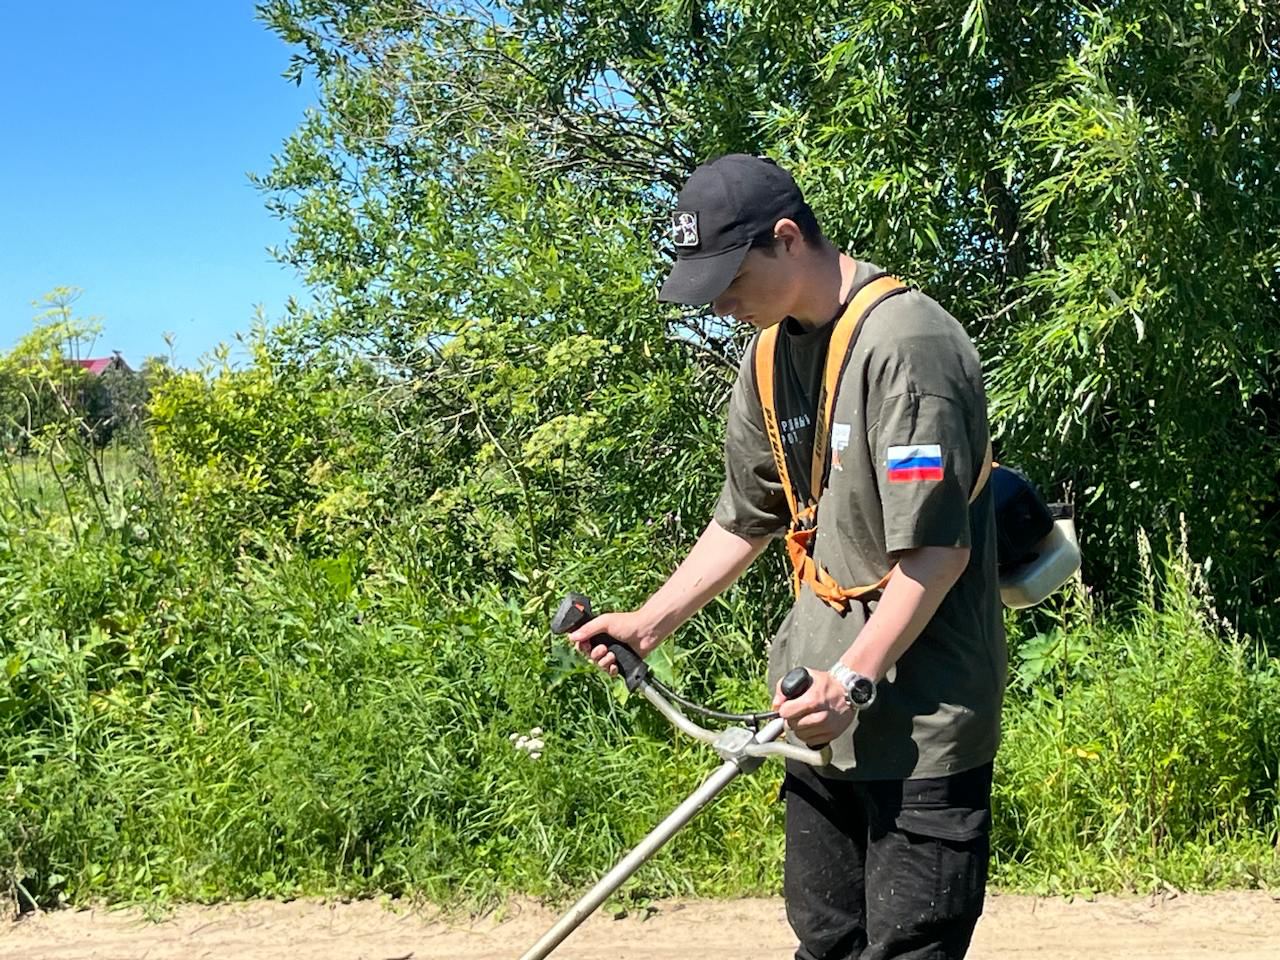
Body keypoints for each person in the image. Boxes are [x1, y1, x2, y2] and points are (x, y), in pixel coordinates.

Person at [569, 153, 1004, 960]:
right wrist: (649, 623)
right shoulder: (767, 360)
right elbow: (746, 519)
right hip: (811, 719)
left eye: (732, 278)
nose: (725, 303)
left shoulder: (907, 346)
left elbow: (936, 551)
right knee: (826, 944)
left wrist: (856, 678)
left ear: (786, 237)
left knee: (909, 950)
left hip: (919, 722)